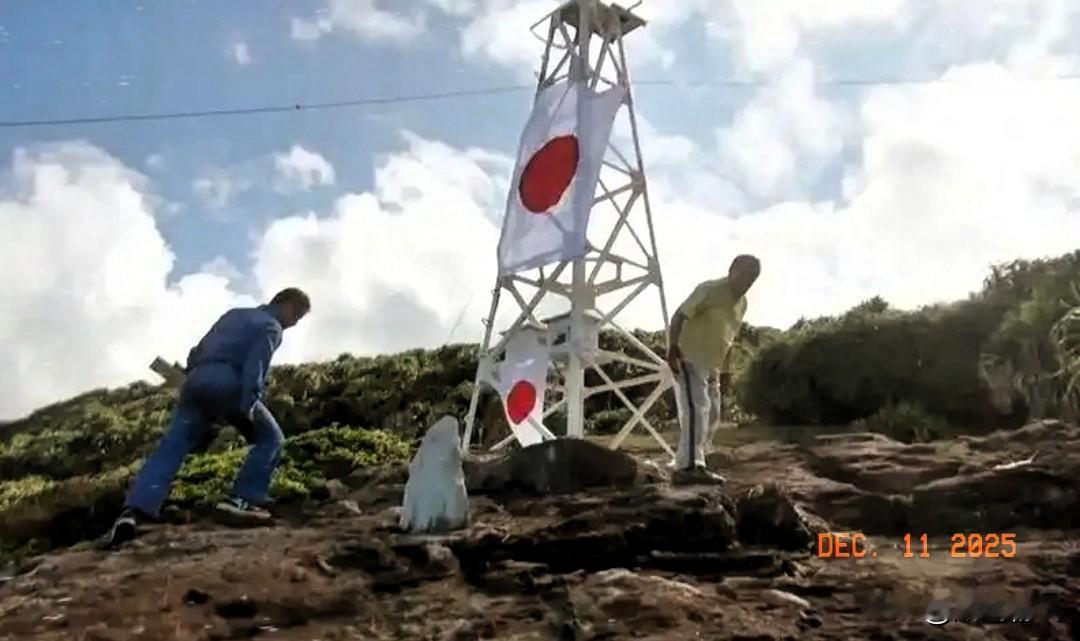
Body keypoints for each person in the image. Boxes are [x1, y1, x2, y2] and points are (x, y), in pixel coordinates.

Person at [107, 288, 311, 547]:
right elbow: (255, 367)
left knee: (172, 447)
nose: (293, 324)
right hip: (229, 385)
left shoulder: (233, 315)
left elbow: (196, 352)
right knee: (271, 438)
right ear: (288, 306)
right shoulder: (271, 326)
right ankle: (241, 500)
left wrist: (195, 375)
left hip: (194, 384)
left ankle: (135, 512)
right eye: (297, 317)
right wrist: (248, 405)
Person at [667, 255, 760, 481]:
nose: (745, 282)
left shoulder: (742, 304)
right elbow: (679, 316)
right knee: (697, 409)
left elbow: (728, 338)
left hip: (712, 365)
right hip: (689, 355)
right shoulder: (709, 289)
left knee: (713, 414)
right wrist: (672, 347)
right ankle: (690, 467)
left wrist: (726, 370)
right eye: (743, 275)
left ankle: (686, 461)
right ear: (731, 271)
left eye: (751, 278)